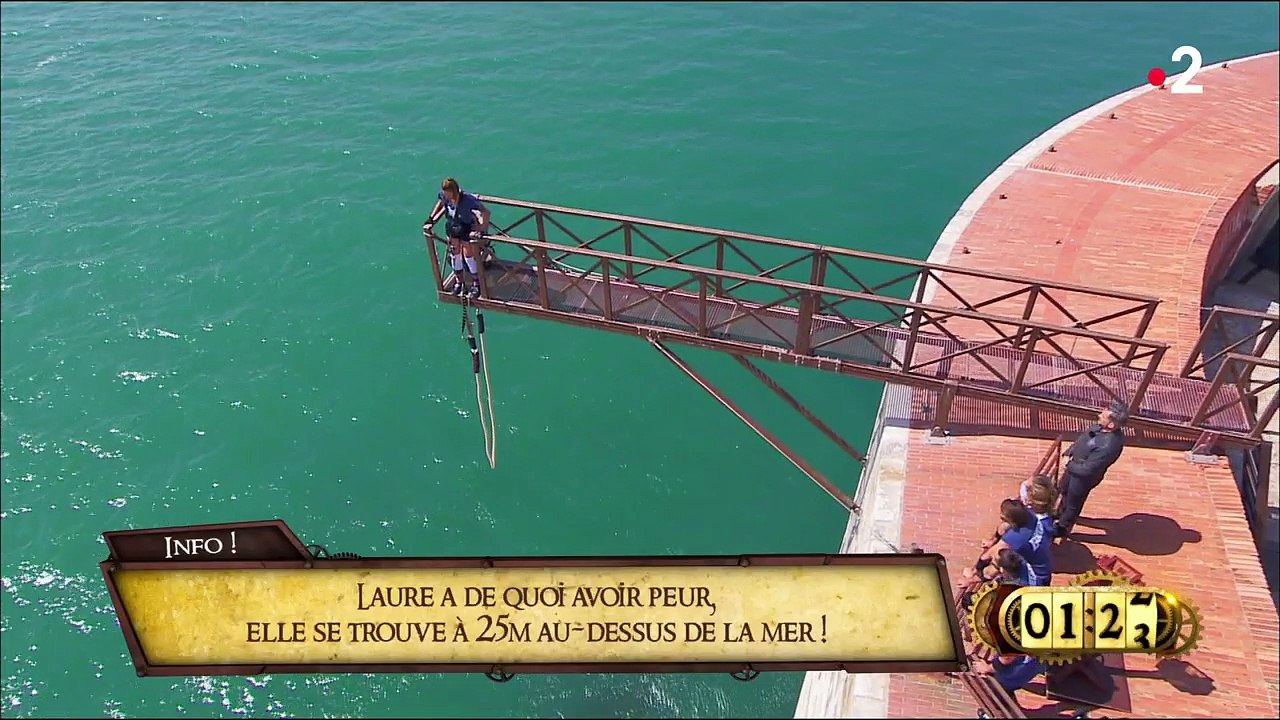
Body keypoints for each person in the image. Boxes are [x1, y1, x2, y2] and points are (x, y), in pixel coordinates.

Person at [1053, 402, 1128, 538]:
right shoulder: (1100, 427)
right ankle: (1059, 513)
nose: (1099, 415)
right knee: (1064, 490)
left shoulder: (1108, 446)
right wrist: (1069, 452)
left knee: (1073, 503)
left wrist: (1067, 465)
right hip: (1073, 467)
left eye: (1103, 416)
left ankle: (1063, 528)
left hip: (1082, 479)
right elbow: (1081, 440)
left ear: (1111, 425)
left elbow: (1088, 470)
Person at [425, 177, 491, 298]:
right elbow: (440, 204)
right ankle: (459, 282)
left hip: (466, 228)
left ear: (454, 191)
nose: (446, 196)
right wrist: (431, 218)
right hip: (452, 228)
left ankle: (476, 284)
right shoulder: (444, 197)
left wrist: (481, 228)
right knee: (455, 256)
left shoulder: (467, 200)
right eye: (444, 193)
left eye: (448, 193)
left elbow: (485, 212)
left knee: (468, 256)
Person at [963, 499, 1037, 585]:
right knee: (1004, 527)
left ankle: (975, 577)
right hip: (1030, 552)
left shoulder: (1015, 537)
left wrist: (974, 571)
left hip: (1025, 568)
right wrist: (993, 541)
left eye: (1003, 517)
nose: (1000, 516)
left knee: (998, 560)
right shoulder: (1029, 514)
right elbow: (1003, 527)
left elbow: (986, 556)